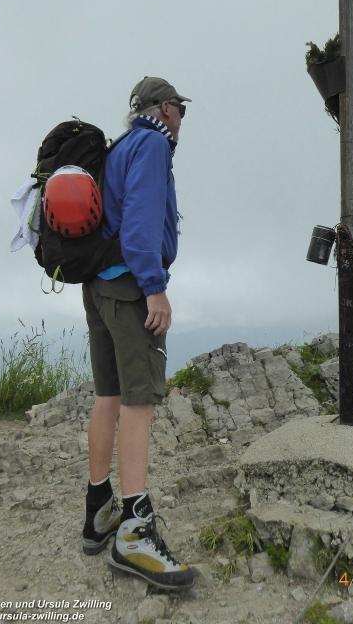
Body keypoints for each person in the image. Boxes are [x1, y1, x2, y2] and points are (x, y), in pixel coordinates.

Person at [81, 76, 194, 591]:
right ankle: (134, 531)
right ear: (164, 109)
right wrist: (155, 288)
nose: (180, 123)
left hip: (98, 287)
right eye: (181, 112)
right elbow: (142, 224)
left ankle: (98, 510)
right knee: (139, 403)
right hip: (130, 289)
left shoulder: (119, 146)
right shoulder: (150, 145)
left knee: (108, 395)